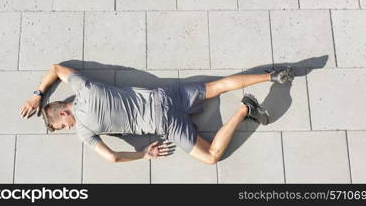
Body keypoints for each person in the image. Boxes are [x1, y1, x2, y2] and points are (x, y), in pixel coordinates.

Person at [20, 64, 293, 164]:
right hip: (164, 94)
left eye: (62, 124)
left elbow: (113, 158)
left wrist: (143, 154)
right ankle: (272, 75)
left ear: (64, 112)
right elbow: (56, 69)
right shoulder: (85, 87)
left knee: (211, 157)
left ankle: (245, 109)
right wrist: (37, 94)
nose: (67, 128)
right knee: (215, 86)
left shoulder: (84, 131)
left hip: (165, 123)